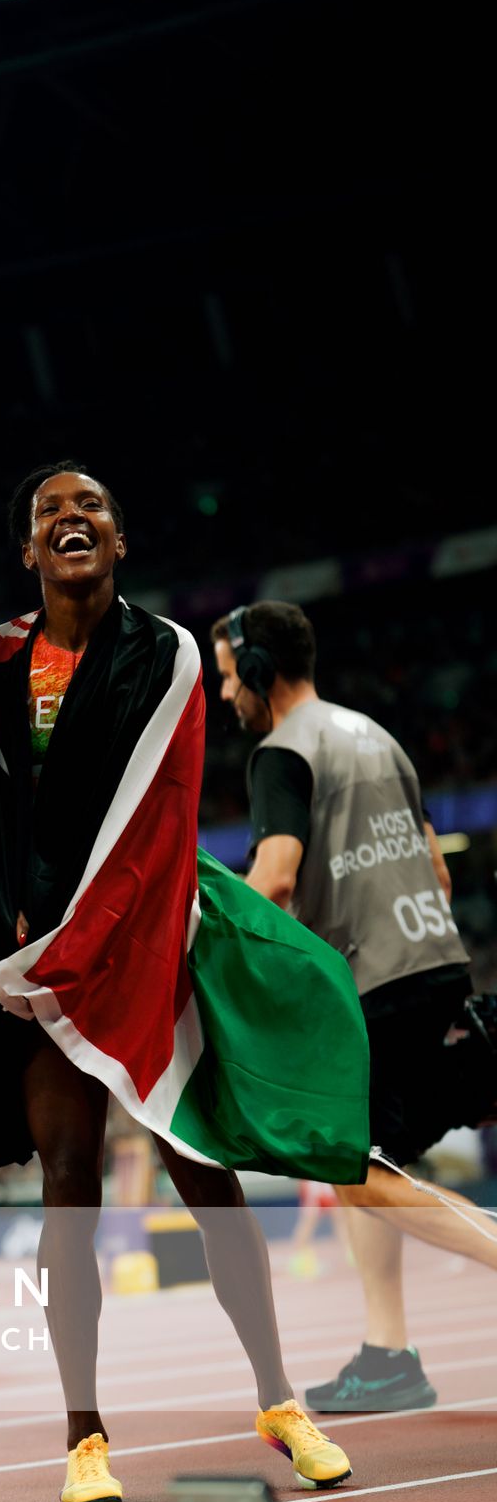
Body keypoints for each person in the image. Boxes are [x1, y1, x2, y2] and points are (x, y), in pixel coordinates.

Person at [0, 465, 352, 1502]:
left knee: (205, 1179)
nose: (72, 518)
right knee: (67, 1186)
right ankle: (82, 1435)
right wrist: (9, 926)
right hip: (48, 967)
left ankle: (280, 1400)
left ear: (120, 541)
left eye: (92, 507)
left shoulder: (167, 655)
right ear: (28, 552)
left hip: (149, 942)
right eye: (48, 513)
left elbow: (165, 803)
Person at [212, 601, 497, 1412]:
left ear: (261, 673)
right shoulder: (378, 736)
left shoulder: (281, 752)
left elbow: (273, 877)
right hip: (435, 963)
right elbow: (438, 875)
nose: (228, 696)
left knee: (357, 1167)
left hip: (373, 981)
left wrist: (205, 916)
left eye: (231, 679)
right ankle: (387, 1352)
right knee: (365, 1157)